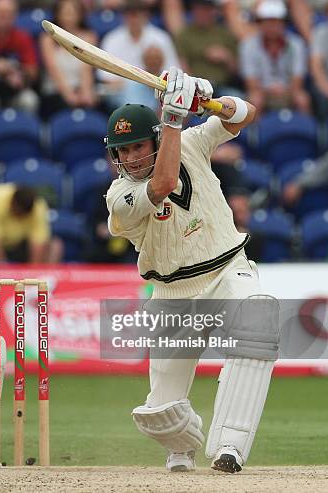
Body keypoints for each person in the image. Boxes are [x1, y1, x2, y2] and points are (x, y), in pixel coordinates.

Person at [104, 67, 279, 473]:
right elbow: (163, 183)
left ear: (154, 139)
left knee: (259, 318)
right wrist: (173, 118)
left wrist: (211, 101)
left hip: (225, 271)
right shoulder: (119, 197)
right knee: (159, 413)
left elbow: (245, 114)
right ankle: (183, 443)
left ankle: (229, 448)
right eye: (122, 150)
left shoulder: (193, 142)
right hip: (172, 295)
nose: (130, 158)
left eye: (136, 146)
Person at [99, 0, 179, 111]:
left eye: (137, 14)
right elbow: (106, 78)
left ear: (146, 15)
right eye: (130, 14)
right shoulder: (112, 39)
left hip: (155, 90)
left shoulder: (161, 38)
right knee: (133, 89)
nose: (134, 19)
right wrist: (136, 83)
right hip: (120, 93)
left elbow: (172, 72)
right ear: (123, 16)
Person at [239, 0, 311, 114]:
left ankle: (304, 130)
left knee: (302, 99)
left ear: (283, 23)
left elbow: (298, 81)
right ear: (260, 24)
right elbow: (251, 83)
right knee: (254, 99)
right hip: (262, 92)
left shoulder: (297, 44)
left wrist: (285, 90)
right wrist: (269, 90)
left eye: (276, 22)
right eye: (267, 22)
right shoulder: (248, 45)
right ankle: (255, 131)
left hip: (289, 91)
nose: (271, 26)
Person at [39, 0, 98, 119]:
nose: (68, 17)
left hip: (80, 86)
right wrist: (68, 94)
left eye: (72, 13)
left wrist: (86, 92)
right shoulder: (47, 38)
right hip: (55, 90)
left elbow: (86, 68)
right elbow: (52, 68)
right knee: (63, 106)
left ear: (80, 15)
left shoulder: (89, 36)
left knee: (94, 105)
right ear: (57, 14)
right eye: (65, 13)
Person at [0, 183, 63, 263]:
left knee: (56, 246)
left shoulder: (38, 207)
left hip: (22, 246)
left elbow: (39, 243)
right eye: (18, 213)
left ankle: (45, 278)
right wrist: (3, 268)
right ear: (13, 204)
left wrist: (33, 273)